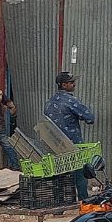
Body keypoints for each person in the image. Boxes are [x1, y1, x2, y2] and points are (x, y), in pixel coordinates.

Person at [44, 71, 96, 201]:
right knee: (80, 173)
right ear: (64, 85)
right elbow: (90, 118)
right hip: (73, 144)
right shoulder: (71, 101)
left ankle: (59, 204)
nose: (74, 84)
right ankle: (84, 201)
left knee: (59, 174)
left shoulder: (49, 102)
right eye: (71, 82)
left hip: (55, 144)